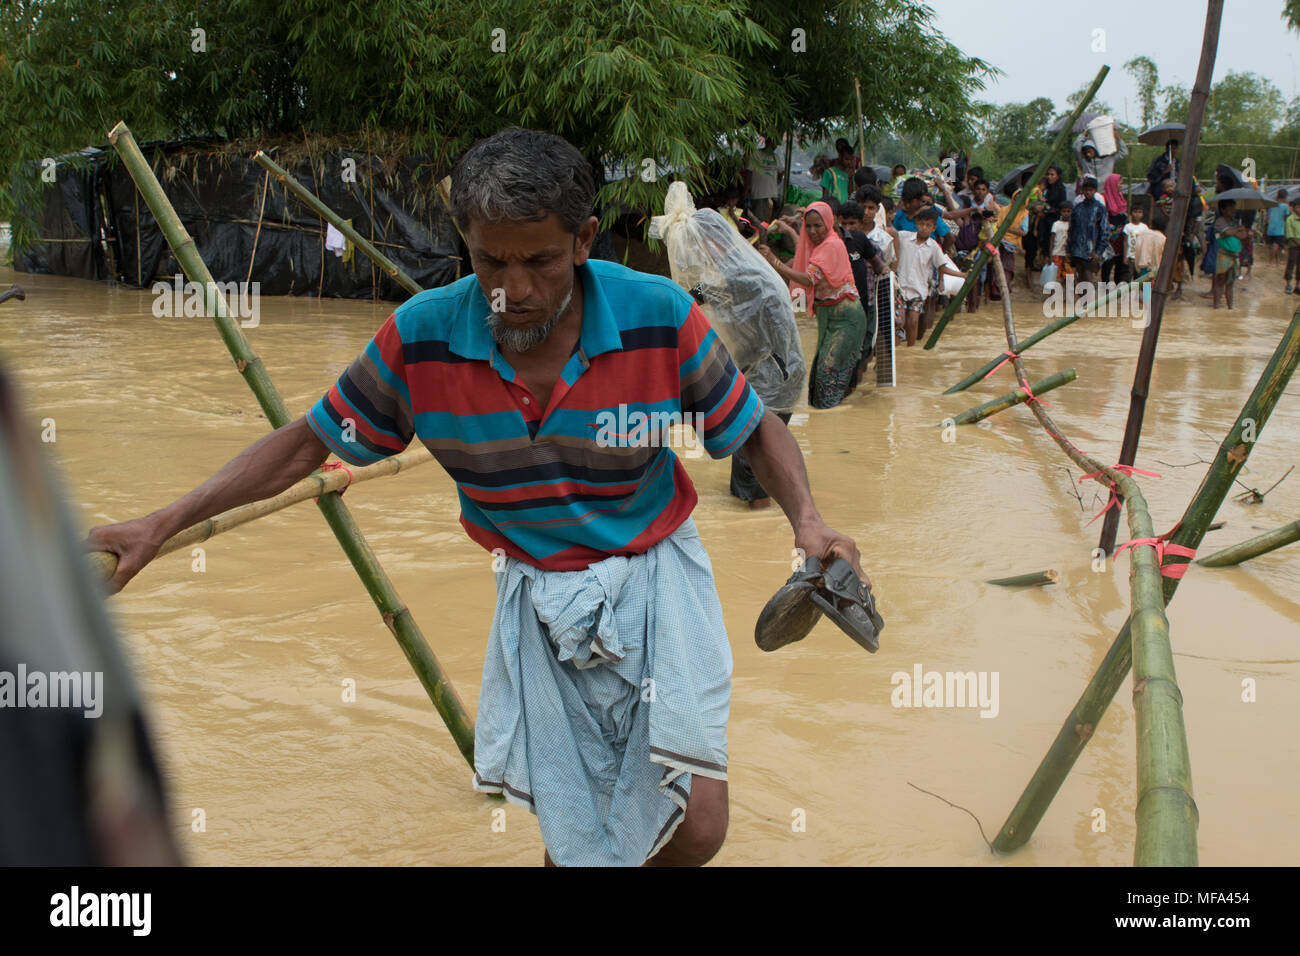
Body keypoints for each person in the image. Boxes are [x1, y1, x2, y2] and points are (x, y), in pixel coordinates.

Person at [87, 126, 871, 869]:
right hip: (538, 595)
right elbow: (307, 441)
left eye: (539, 262)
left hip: (656, 577)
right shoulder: (421, 339)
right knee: (576, 839)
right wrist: (163, 523)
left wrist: (808, 521)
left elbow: (755, 429)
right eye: (491, 263)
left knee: (698, 827)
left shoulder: (657, 318)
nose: (514, 290)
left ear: (585, 241)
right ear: (467, 245)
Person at [760, 201, 865, 409]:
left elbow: (809, 279)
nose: (812, 231)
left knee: (828, 376)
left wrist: (775, 261)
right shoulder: (819, 246)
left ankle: (833, 427)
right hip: (831, 316)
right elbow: (804, 250)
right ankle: (829, 421)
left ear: (828, 223)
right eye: (808, 226)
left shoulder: (831, 245)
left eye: (818, 226)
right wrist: (791, 230)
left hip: (846, 318)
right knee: (818, 377)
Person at [884, 207, 966, 346]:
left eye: (928, 225)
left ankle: (910, 349)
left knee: (913, 321)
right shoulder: (903, 236)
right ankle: (897, 351)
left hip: (918, 290)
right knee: (899, 322)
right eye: (921, 224)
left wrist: (962, 275)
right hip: (900, 288)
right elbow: (890, 233)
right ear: (916, 224)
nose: (924, 228)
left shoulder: (934, 247)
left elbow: (942, 267)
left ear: (934, 228)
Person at [836, 199, 892, 388]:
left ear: (860, 224)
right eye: (844, 223)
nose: (848, 227)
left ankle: (855, 388)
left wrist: (886, 272)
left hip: (866, 304)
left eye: (852, 224)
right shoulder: (834, 245)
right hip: (841, 308)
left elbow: (881, 266)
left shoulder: (865, 243)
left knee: (864, 349)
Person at [1067, 175, 1109, 283]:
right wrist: (1068, 249)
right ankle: (1083, 300)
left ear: (1095, 191)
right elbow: (1071, 230)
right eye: (1085, 190)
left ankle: (1090, 300)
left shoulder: (1100, 208)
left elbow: (1104, 231)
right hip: (1077, 249)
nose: (1088, 192)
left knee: (1088, 278)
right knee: (1080, 278)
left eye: (1090, 190)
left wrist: (1099, 252)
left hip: (1091, 250)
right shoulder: (1078, 208)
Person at [1211, 199, 1249, 309]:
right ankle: (1216, 306)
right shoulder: (1220, 221)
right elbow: (1227, 232)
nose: (1233, 210)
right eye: (1230, 207)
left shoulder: (1235, 222)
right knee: (1220, 281)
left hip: (1234, 256)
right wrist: (1238, 230)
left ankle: (1230, 307)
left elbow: (1243, 235)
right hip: (1223, 255)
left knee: (1230, 283)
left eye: (1234, 207)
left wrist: (1238, 230)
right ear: (1223, 210)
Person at [1100, 173, 1129, 283]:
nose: (1121, 185)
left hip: (1121, 237)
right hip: (1109, 236)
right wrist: (1111, 229)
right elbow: (1101, 218)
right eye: (1120, 183)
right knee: (1107, 263)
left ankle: (1118, 288)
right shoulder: (1104, 199)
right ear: (1113, 184)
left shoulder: (1120, 197)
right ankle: (1105, 288)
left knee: (1120, 262)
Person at [1050, 201, 1074, 276]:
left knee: (1069, 275)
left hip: (1068, 255)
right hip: (1057, 253)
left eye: (1068, 211)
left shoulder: (1073, 225)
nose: (1066, 213)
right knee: (1056, 275)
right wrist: (1050, 255)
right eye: (1064, 211)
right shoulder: (1056, 224)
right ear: (1060, 212)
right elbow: (1052, 240)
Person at [1266, 188, 1288, 267]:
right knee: (1276, 246)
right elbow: (1286, 217)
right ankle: (1270, 261)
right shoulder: (1285, 206)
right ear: (1285, 197)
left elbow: (1268, 216)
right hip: (1279, 228)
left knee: (1275, 245)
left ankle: (1277, 261)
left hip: (1271, 228)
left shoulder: (1272, 204)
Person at [1285, 197, 1300, 294]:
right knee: (1291, 263)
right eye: (1298, 207)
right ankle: (1288, 284)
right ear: (1294, 208)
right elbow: (1290, 235)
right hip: (1294, 246)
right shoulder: (1290, 219)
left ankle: (1297, 285)